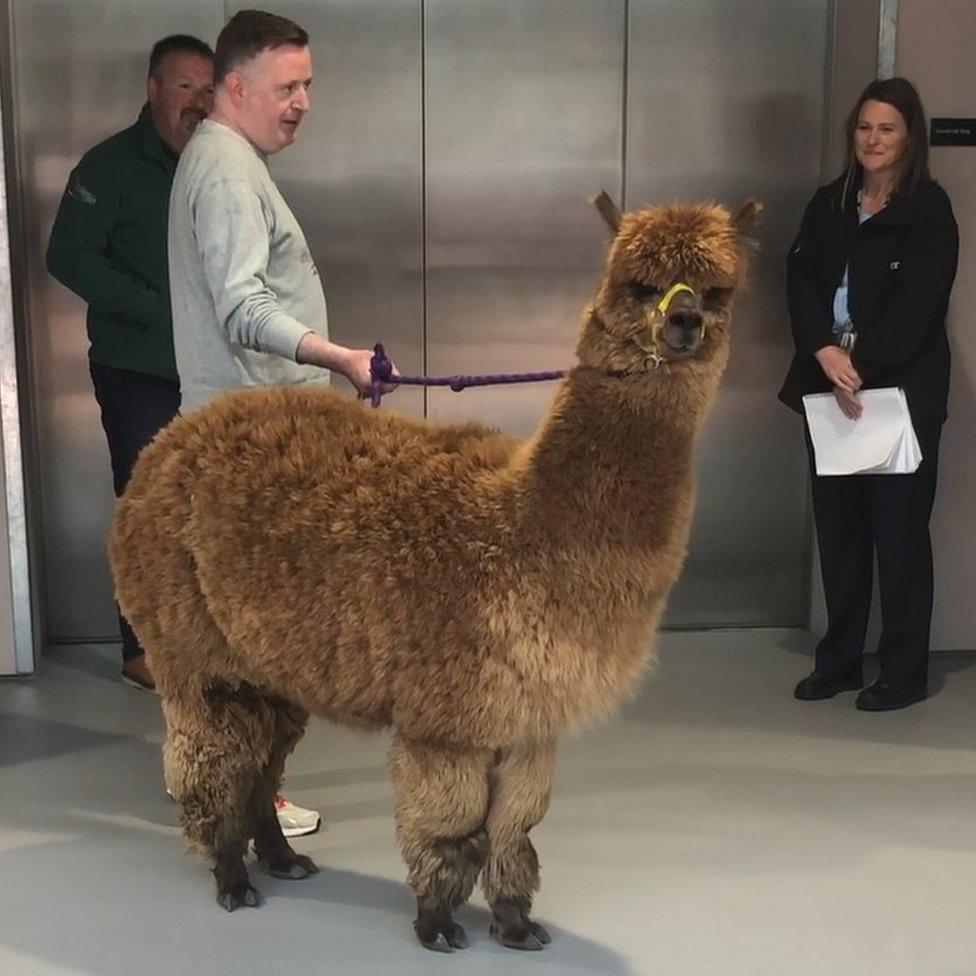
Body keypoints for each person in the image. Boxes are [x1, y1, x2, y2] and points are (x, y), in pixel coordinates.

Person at [780, 77, 959, 711]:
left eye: (886, 128)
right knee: (841, 533)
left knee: (899, 535)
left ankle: (903, 670)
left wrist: (861, 362)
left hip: (898, 397)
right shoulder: (829, 202)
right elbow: (800, 281)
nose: (873, 140)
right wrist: (823, 352)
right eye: (864, 127)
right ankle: (840, 661)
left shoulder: (929, 210)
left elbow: (919, 306)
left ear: (909, 136)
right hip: (829, 391)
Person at [47, 34, 215, 693]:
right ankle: (139, 649)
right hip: (138, 367)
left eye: (208, 89)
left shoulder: (224, 164)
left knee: (213, 507)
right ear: (153, 90)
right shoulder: (110, 166)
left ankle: (208, 644)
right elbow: (70, 257)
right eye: (183, 87)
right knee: (146, 508)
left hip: (214, 371)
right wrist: (154, 308)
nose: (196, 102)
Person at [167, 9, 387, 414]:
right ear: (237, 90)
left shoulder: (230, 155)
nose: (304, 103)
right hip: (252, 431)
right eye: (287, 88)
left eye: (306, 85)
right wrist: (341, 359)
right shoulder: (226, 171)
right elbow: (244, 308)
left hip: (260, 418)